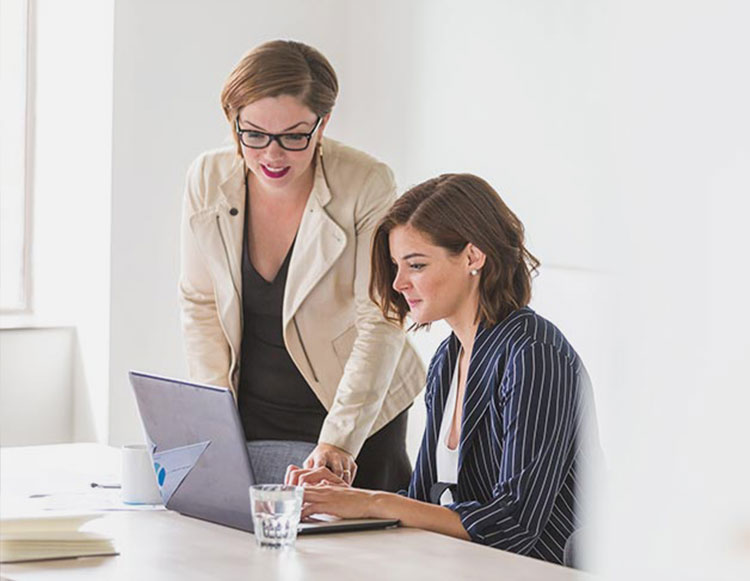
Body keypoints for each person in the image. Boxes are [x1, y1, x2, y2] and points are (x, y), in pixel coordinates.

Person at [287, 173, 601, 565]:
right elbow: (422, 502)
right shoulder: (447, 359)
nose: (399, 282)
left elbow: (513, 526)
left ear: (473, 257)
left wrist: (370, 501)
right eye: (396, 265)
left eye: (416, 264)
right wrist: (342, 499)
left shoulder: (533, 354)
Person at [179, 40, 424, 491]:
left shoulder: (366, 183)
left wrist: (339, 442)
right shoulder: (207, 178)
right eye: (252, 134)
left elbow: (381, 316)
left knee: (356, 554)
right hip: (252, 412)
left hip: (356, 412)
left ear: (323, 123)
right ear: (233, 121)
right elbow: (200, 302)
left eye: (294, 136)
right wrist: (214, 419)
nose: (272, 155)